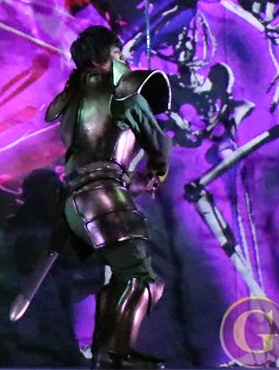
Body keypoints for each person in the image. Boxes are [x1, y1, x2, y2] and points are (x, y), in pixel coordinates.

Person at [45, 25, 173, 369]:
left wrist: (130, 182)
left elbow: (95, 160)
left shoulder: (69, 100)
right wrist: (156, 172)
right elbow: (158, 145)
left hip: (74, 202)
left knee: (121, 276)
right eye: (118, 53)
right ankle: (114, 357)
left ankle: (105, 353)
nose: (124, 59)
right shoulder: (124, 91)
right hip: (102, 200)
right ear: (108, 57)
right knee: (142, 279)